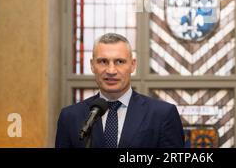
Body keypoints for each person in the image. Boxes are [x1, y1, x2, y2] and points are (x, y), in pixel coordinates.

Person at [55, 33, 184, 148]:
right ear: (92, 65)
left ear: (133, 65)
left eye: (119, 62)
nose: (111, 71)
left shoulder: (162, 115)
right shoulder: (70, 117)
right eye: (103, 61)